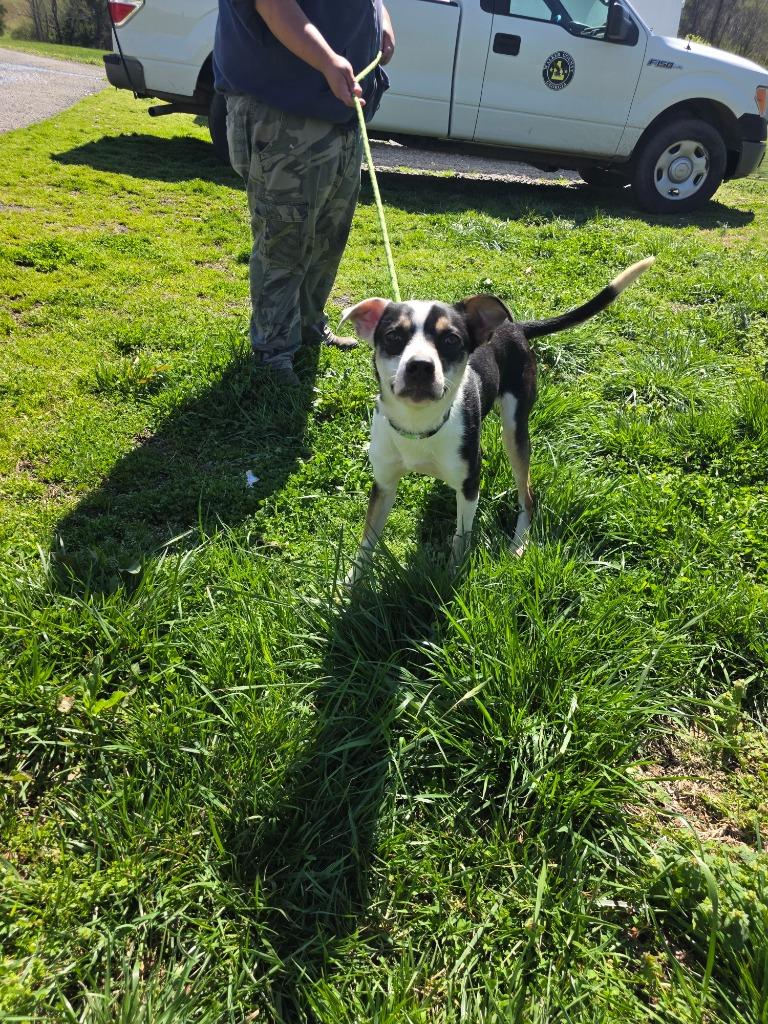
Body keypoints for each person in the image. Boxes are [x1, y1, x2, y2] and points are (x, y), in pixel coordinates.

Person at [213, 0, 395, 385]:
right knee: (286, 237)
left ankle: (308, 325)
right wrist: (328, 60)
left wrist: (381, 19)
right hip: (282, 109)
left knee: (328, 234)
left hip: (339, 113)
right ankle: (272, 353)